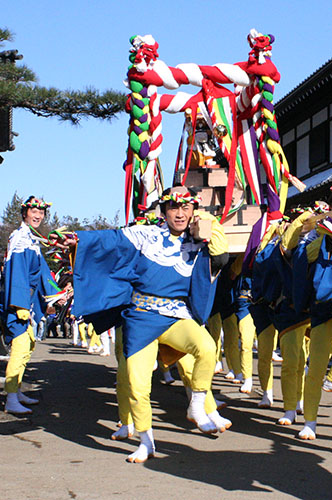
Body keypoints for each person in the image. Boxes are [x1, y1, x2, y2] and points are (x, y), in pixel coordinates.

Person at [66, 186, 231, 463]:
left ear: (194, 211)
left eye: (186, 208)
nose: (180, 214)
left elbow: (222, 255)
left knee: (206, 346)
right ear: (163, 211)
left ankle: (197, 406)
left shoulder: (198, 241)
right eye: (173, 208)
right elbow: (111, 240)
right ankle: (145, 441)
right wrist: (77, 240)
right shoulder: (147, 233)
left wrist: (207, 221)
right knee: (137, 383)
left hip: (177, 316)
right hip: (142, 316)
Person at [0, 196, 60, 415]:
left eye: (41, 212)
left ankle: (16, 392)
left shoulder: (32, 238)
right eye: (34, 211)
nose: (38, 215)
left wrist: (56, 294)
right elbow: (17, 273)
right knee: (20, 349)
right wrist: (20, 304)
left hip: (29, 303)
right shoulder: (20, 238)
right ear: (25, 213)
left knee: (27, 350)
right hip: (20, 304)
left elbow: (44, 272)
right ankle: (11, 397)